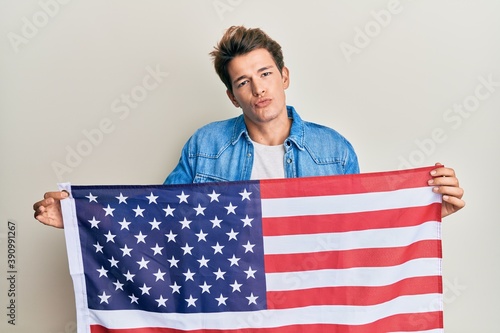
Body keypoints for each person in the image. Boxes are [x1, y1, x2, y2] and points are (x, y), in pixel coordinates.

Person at [33, 26, 465, 228]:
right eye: (243, 81)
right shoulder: (205, 147)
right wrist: (78, 216)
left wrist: (430, 212)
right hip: (233, 304)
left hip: (304, 305)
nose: (258, 88)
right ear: (232, 95)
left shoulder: (333, 150)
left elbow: (360, 230)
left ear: (284, 77)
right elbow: (161, 218)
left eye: (265, 74)